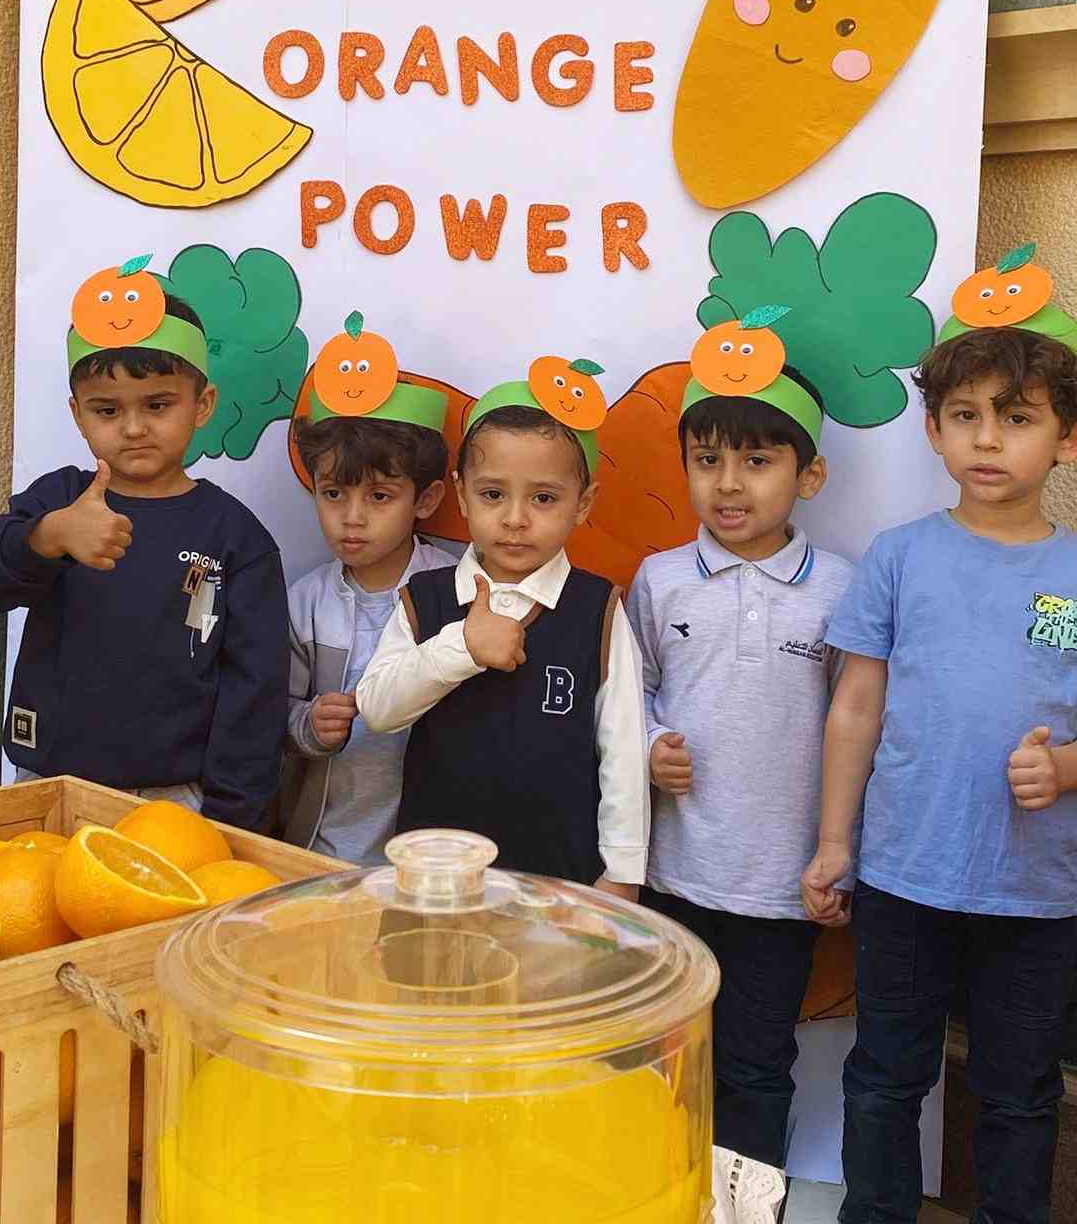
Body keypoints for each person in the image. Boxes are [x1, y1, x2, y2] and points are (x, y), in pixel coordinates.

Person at [801, 246, 1077, 1224]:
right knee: (886, 1075)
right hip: (904, 875)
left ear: (1068, 439)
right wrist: (834, 844)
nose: (987, 439)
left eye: (1018, 417)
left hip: (1036, 892)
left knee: (1019, 1090)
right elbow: (854, 708)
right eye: (965, 416)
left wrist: (1066, 767)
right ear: (934, 430)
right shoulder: (899, 557)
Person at [0, 255, 289, 832]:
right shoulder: (59, 501)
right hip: (47, 787)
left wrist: (229, 822)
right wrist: (47, 537)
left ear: (202, 404)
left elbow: (255, 694)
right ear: (78, 416)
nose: (133, 427)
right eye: (107, 409)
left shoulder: (236, 538)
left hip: (177, 805)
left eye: (158, 405)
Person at [627, 307, 853, 1169]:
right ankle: (659, 1193)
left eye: (757, 461)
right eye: (707, 459)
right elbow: (633, 691)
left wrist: (840, 855)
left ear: (810, 474)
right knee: (662, 1059)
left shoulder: (841, 589)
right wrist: (651, 742)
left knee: (756, 1069)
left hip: (780, 889)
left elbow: (860, 723)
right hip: (674, 875)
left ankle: (747, 1205)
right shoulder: (660, 581)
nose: (728, 484)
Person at [357, 358, 649, 897]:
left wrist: (623, 872)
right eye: (493, 494)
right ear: (461, 494)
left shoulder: (598, 608)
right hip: (436, 879)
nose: (516, 518)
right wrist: (462, 646)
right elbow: (377, 708)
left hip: (560, 885)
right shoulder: (426, 599)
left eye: (544, 498)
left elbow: (624, 752)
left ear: (583, 504)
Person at [280, 313, 455, 865]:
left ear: (425, 500)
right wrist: (307, 725)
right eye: (333, 493)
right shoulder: (305, 602)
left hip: (428, 857)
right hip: (322, 848)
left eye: (379, 496)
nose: (352, 518)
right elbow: (273, 710)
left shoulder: (456, 591)